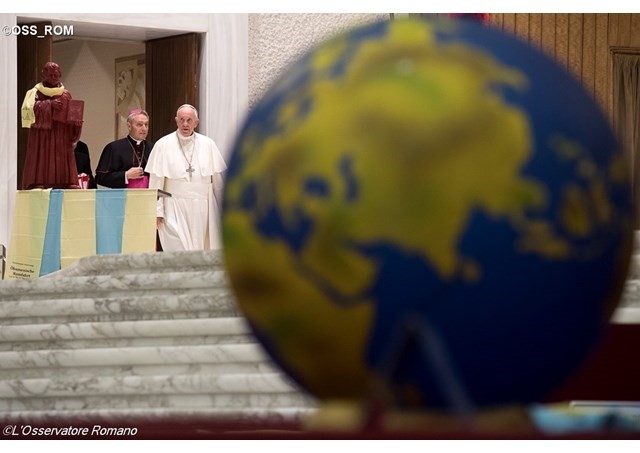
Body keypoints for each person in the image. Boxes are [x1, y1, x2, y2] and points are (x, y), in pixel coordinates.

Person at [145, 104, 227, 251]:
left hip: (203, 208)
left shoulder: (208, 145)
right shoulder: (163, 145)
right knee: (178, 249)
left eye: (189, 120)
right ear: (176, 121)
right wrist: (157, 211)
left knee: (201, 249)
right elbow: (156, 183)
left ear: (196, 122)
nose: (185, 124)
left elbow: (218, 184)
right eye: (182, 120)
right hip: (173, 207)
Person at [21, 61, 83, 190]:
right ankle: (38, 180)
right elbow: (30, 110)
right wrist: (49, 104)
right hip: (42, 133)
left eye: (56, 75)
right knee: (42, 155)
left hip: (61, 133)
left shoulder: (65, 93)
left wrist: (76, 123)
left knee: (62, 155)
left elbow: (71, 114)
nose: (53, 78)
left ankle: (66, 181)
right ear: (44, 75)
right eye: (50, 75)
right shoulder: (35, 92)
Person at [95, 109, 154, 188]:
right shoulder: (114, 148)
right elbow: (100, 178)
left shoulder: (153, 147)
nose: (144, 129)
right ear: (129, 126)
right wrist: (125, 175)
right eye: (139, 125)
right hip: (122, 197)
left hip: (148, 197)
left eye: (146, 125)